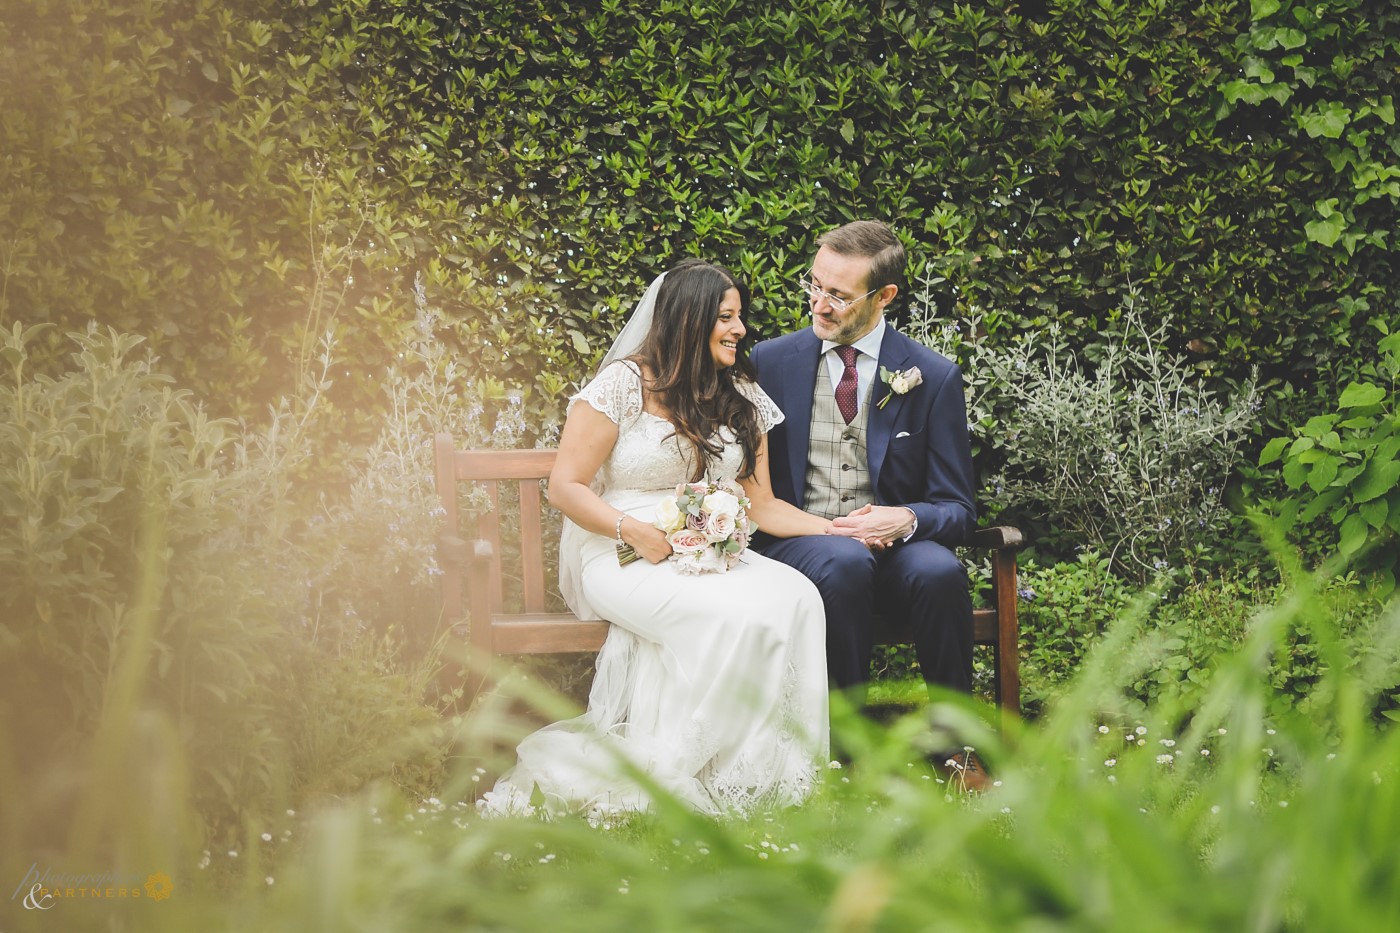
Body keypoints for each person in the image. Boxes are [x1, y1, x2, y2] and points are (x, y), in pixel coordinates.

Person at [479, 259, 833, 819]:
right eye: (725, 317)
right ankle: (683, 765)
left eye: (740, 316)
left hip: (706, 548)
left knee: (797, 597)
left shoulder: (739, 392)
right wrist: (633, 530)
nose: (740, 330)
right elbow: (565, 487)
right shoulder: (624, 383)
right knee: (728, 618)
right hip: (620, 549)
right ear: (689, 320)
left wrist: (836, 529)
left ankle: (768, 772)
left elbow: (760, 503)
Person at [750, 221, 979, 743]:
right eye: (814, 285)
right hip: (802, 542)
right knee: (844, 559)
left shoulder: (932, 376)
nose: (819, 305)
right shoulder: (770, 362)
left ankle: (959, 748)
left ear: (885, 296)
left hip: (894, 550)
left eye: (838, 295)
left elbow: (959, 508)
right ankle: (843, 746)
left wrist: (907, 518)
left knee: (940, 571)